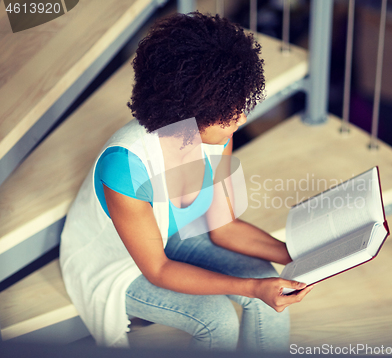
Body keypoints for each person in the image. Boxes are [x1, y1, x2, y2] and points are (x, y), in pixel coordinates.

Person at [59, 11, 313, 352]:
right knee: (217, 319)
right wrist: (249, 288)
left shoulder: (218, 137)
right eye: (227, 110)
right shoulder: (125, 167)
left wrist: (297, 255)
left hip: (173, 235)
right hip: (122, 264)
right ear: (186, 109)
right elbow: (158, 269)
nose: (241, 117)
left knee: (272, 282)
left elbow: (224, 227)